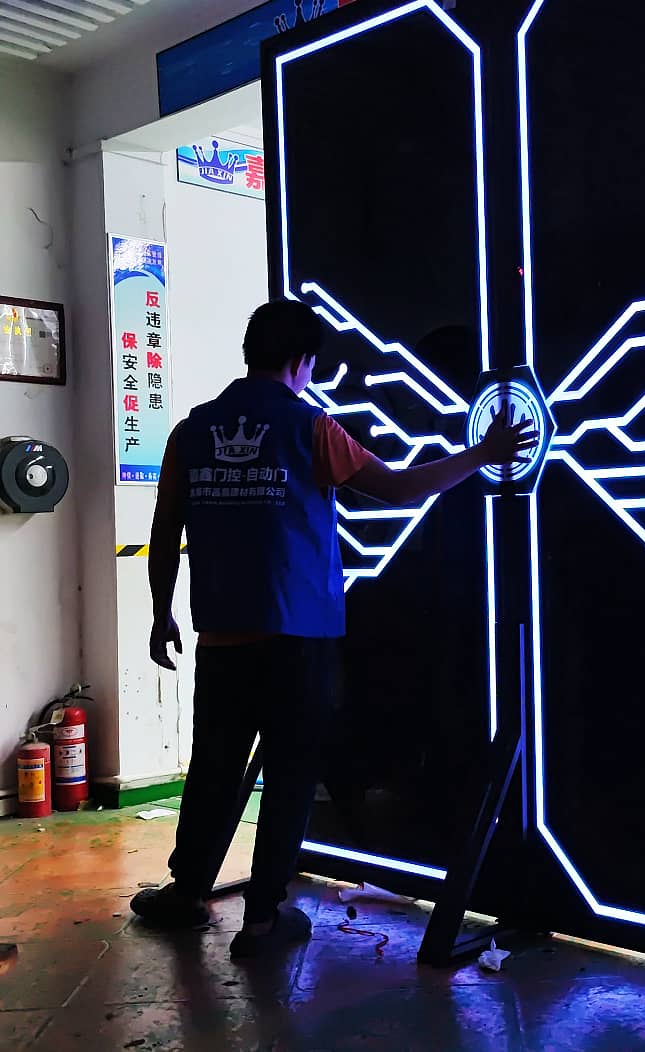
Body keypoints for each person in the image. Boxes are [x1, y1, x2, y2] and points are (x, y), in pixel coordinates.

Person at [130, 299, 536, 957]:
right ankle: (263, 921)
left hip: (222, 637)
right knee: (291, 774)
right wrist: (483, 453)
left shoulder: (191, 431)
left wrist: (159, 613)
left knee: (213, 769)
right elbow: (398, 488)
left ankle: (187, 894)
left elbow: (165, 529)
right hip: (300, 639)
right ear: (301, 361)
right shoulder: (309, 428)